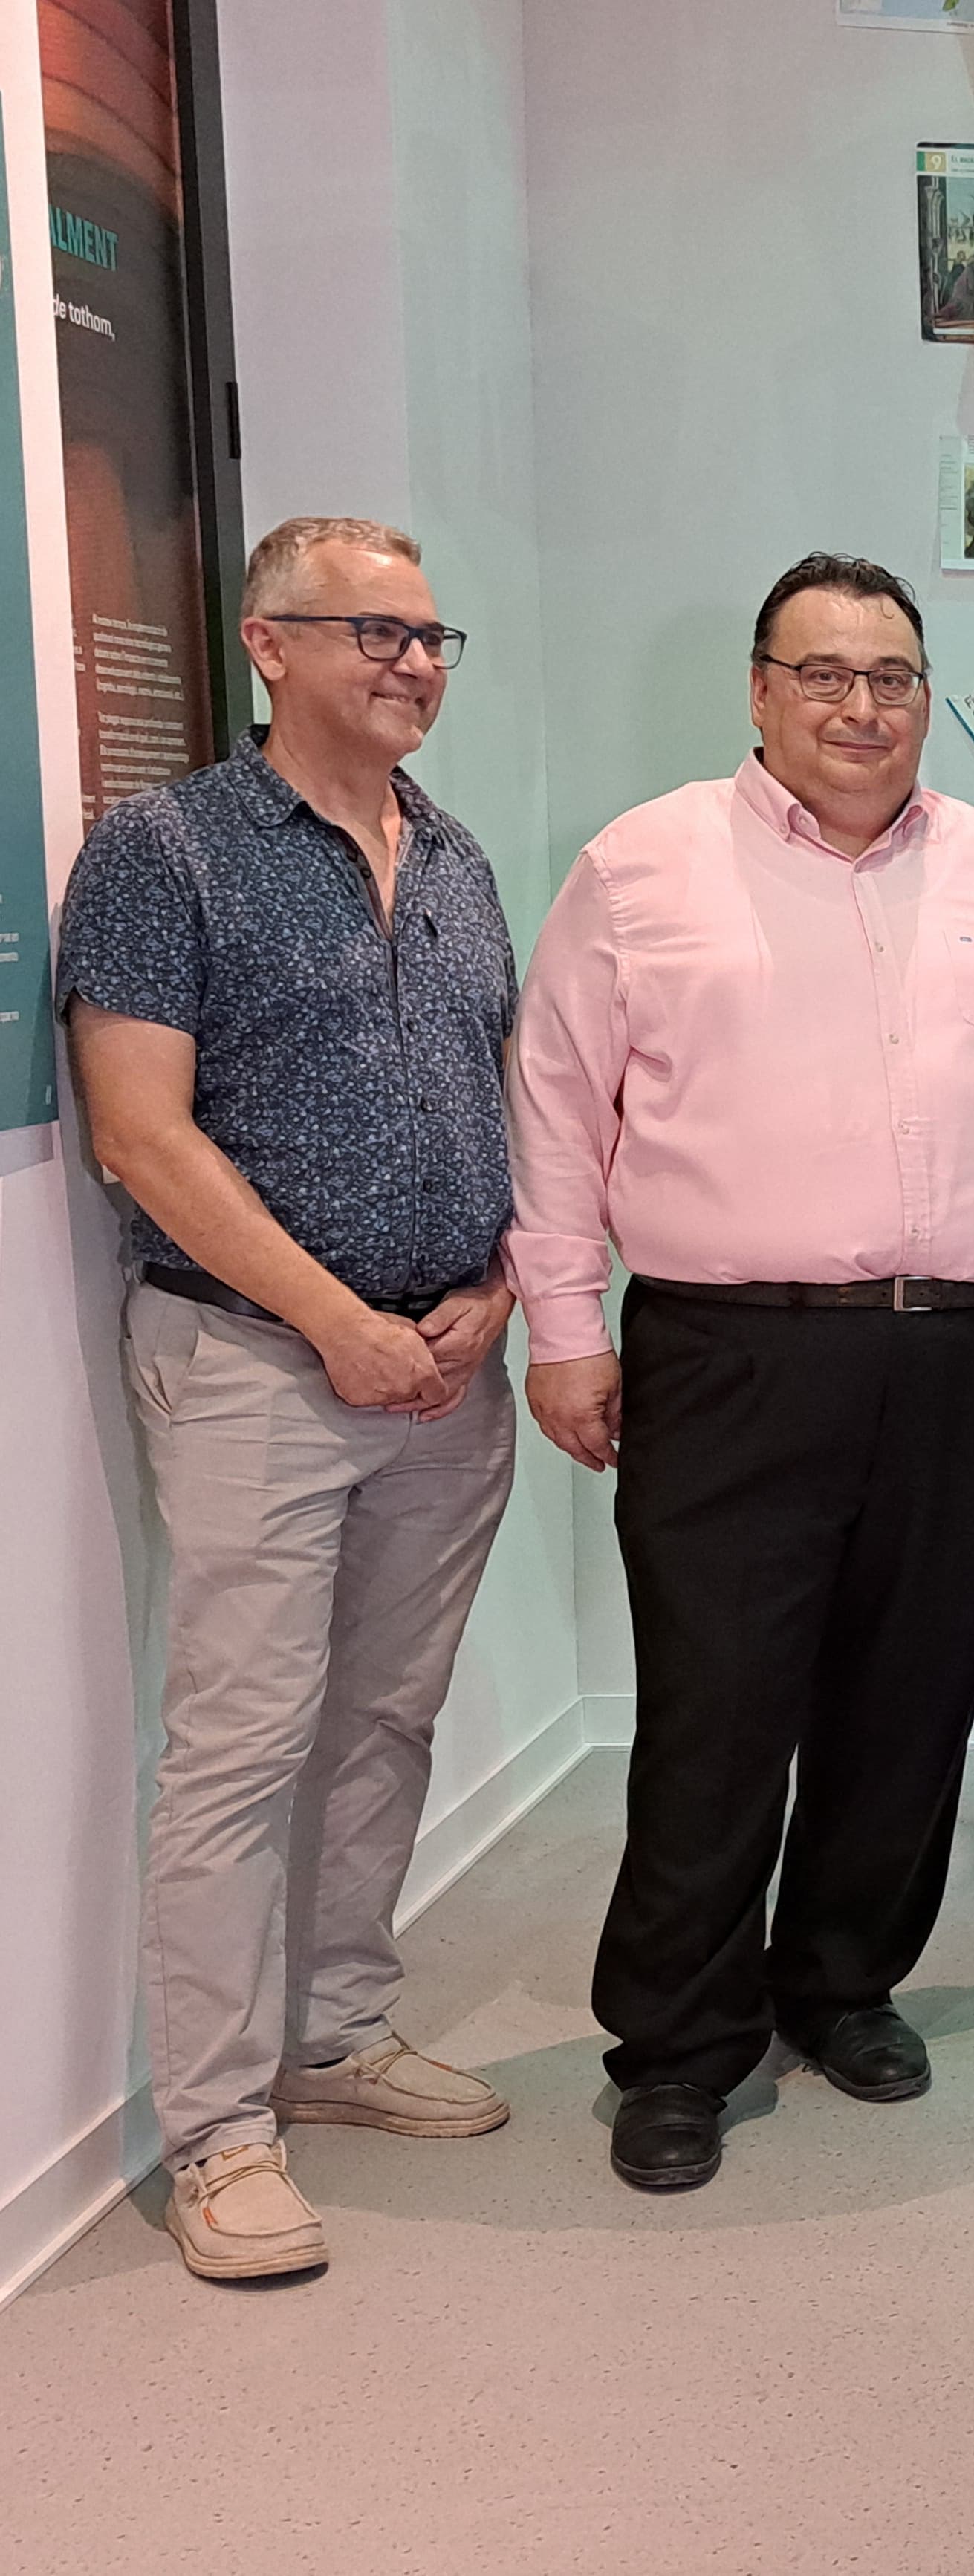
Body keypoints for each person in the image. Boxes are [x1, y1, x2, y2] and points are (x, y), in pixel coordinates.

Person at [506, 553, 974, 2192]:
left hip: (964, 1351)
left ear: (924, 695)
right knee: (718, 1711)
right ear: (761, 691)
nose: (861, 706)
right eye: (824, 673)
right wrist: (566, 1330)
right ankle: (679, 2048)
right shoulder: (642, 866)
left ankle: (841, 1984)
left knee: (910, 1697)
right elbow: (555, 1109)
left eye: (891, 675)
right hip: (731, 1354)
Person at [57, 516, 516, 2283]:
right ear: (268, 644)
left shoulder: (456, 857)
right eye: (375, 633)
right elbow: (141, 1134)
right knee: (242, 1745)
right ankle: (219, 2132)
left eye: (432, 636)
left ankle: (335, 2030)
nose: (416, 664)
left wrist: (491, 1295)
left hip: (446, 1373)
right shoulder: (163, 851)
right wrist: (334, 1321)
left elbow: (499, 1098)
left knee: (387, 1718)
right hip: (257, 1364)